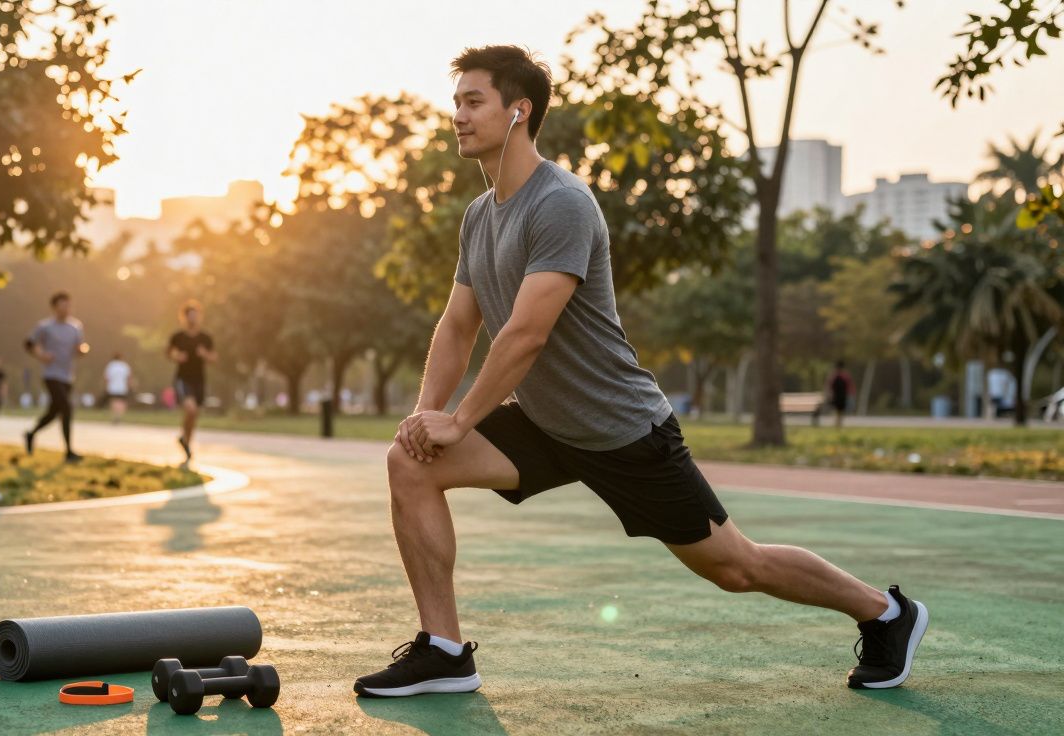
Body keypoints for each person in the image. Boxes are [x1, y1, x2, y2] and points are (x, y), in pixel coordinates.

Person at [353, 46, 928, 699]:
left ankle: (887, 613)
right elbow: (459, 325)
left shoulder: (561, 203)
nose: (457, 115)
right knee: (410, 464)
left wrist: (460, 420)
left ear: (520, 111)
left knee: (737, 567)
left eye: (473, 101)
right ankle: (446, 651)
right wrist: (427, 418)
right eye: (456, 101)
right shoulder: (480, 218)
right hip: (548, 427)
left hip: (621, 429)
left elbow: (526, 334)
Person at [23, 291, 88, 462]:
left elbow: (81, 347)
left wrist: (83, 350)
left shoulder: (75, 327)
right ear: (54, 307)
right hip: (51, 374)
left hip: (67, 376)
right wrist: (41, 355)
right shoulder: (45, 326)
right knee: (66, 408)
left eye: (68, 305)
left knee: (53, 412)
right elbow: (29, 343)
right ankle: (69, 451)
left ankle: (31, 434)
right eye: (62, 305)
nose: (66, 308)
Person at [166, 300, 216, 468]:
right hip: (183, 379)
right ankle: (186, 441)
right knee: (190, 409)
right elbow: (168, 353)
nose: (193, 318)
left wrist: (204, 354)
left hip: (199, 379)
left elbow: (214, 358)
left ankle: (186, 442)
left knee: (194, 415)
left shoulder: (205, 338)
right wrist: (177, 357)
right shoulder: (178, 337)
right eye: (190, 315)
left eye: (195, 315)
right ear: (184, 317)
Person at [103, 352, 133, 424]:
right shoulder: (124, 366)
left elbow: (107, 378)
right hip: (122, 387)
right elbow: (129, 377)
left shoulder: (111, 366)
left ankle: (114, 416)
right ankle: (119, 416)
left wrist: (106, 386)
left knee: (114, 401)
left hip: (112, 387)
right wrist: (130, 386)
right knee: (121, 402)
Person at [826, 361, 856, 429]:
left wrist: (829, 394)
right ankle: (838, 424)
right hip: (842, 396)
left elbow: (829, 386)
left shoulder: (834, 375)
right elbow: (850, 386)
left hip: (837, 396)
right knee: (840, 411)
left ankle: (837, 424)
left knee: (837, 411)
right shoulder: (845, 376)